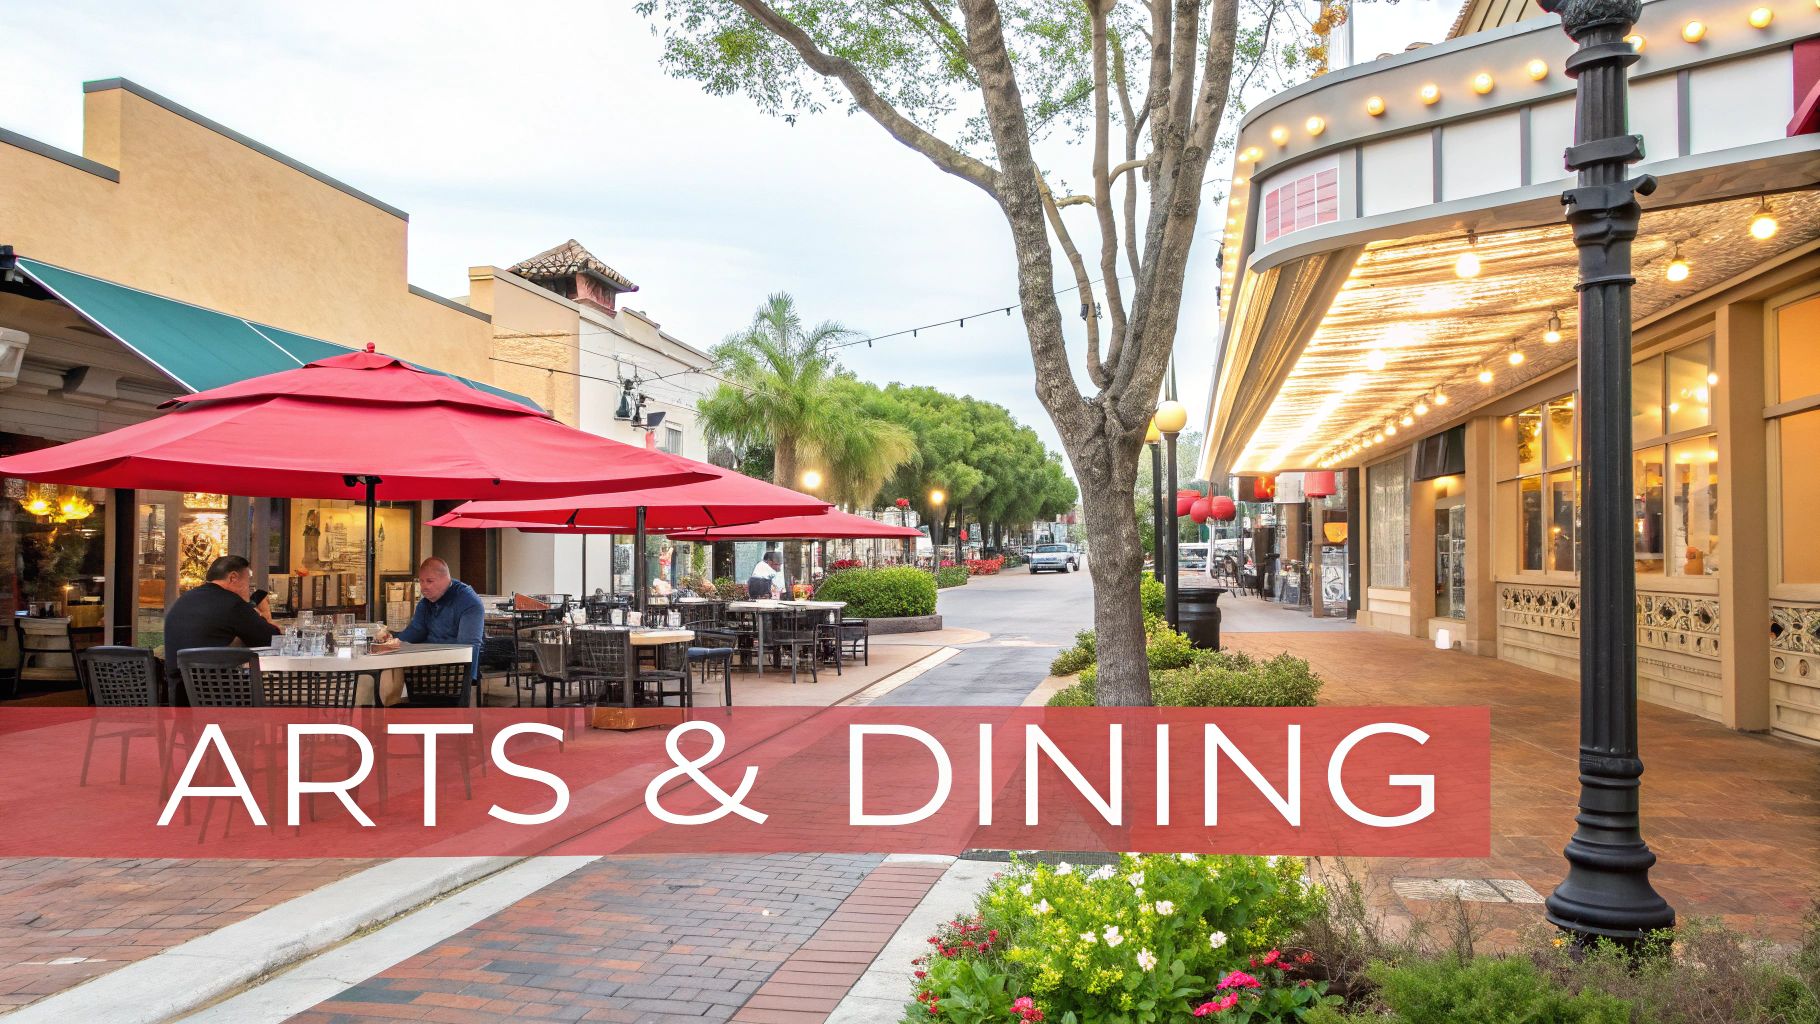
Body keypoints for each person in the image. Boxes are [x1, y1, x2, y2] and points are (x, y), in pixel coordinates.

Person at [162, 554, 282, 695]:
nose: (249, 589)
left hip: (179, 694)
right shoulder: (233, 604)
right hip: (218, 694)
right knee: (273, 695)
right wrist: (263, 614)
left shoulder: (185, 598)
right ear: (233, 577)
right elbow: (273, 639)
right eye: (248, 582)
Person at [391, 557, 486, 674]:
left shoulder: (469, 602)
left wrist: (467, 681)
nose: (424, 587)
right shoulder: (425, 603)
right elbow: (416, 630)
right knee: (387, 669)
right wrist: (392, 642)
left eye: (430, 581)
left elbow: (468, 645)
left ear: (446, 579)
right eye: (421, 581)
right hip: (426, 660)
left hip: (455, 668)